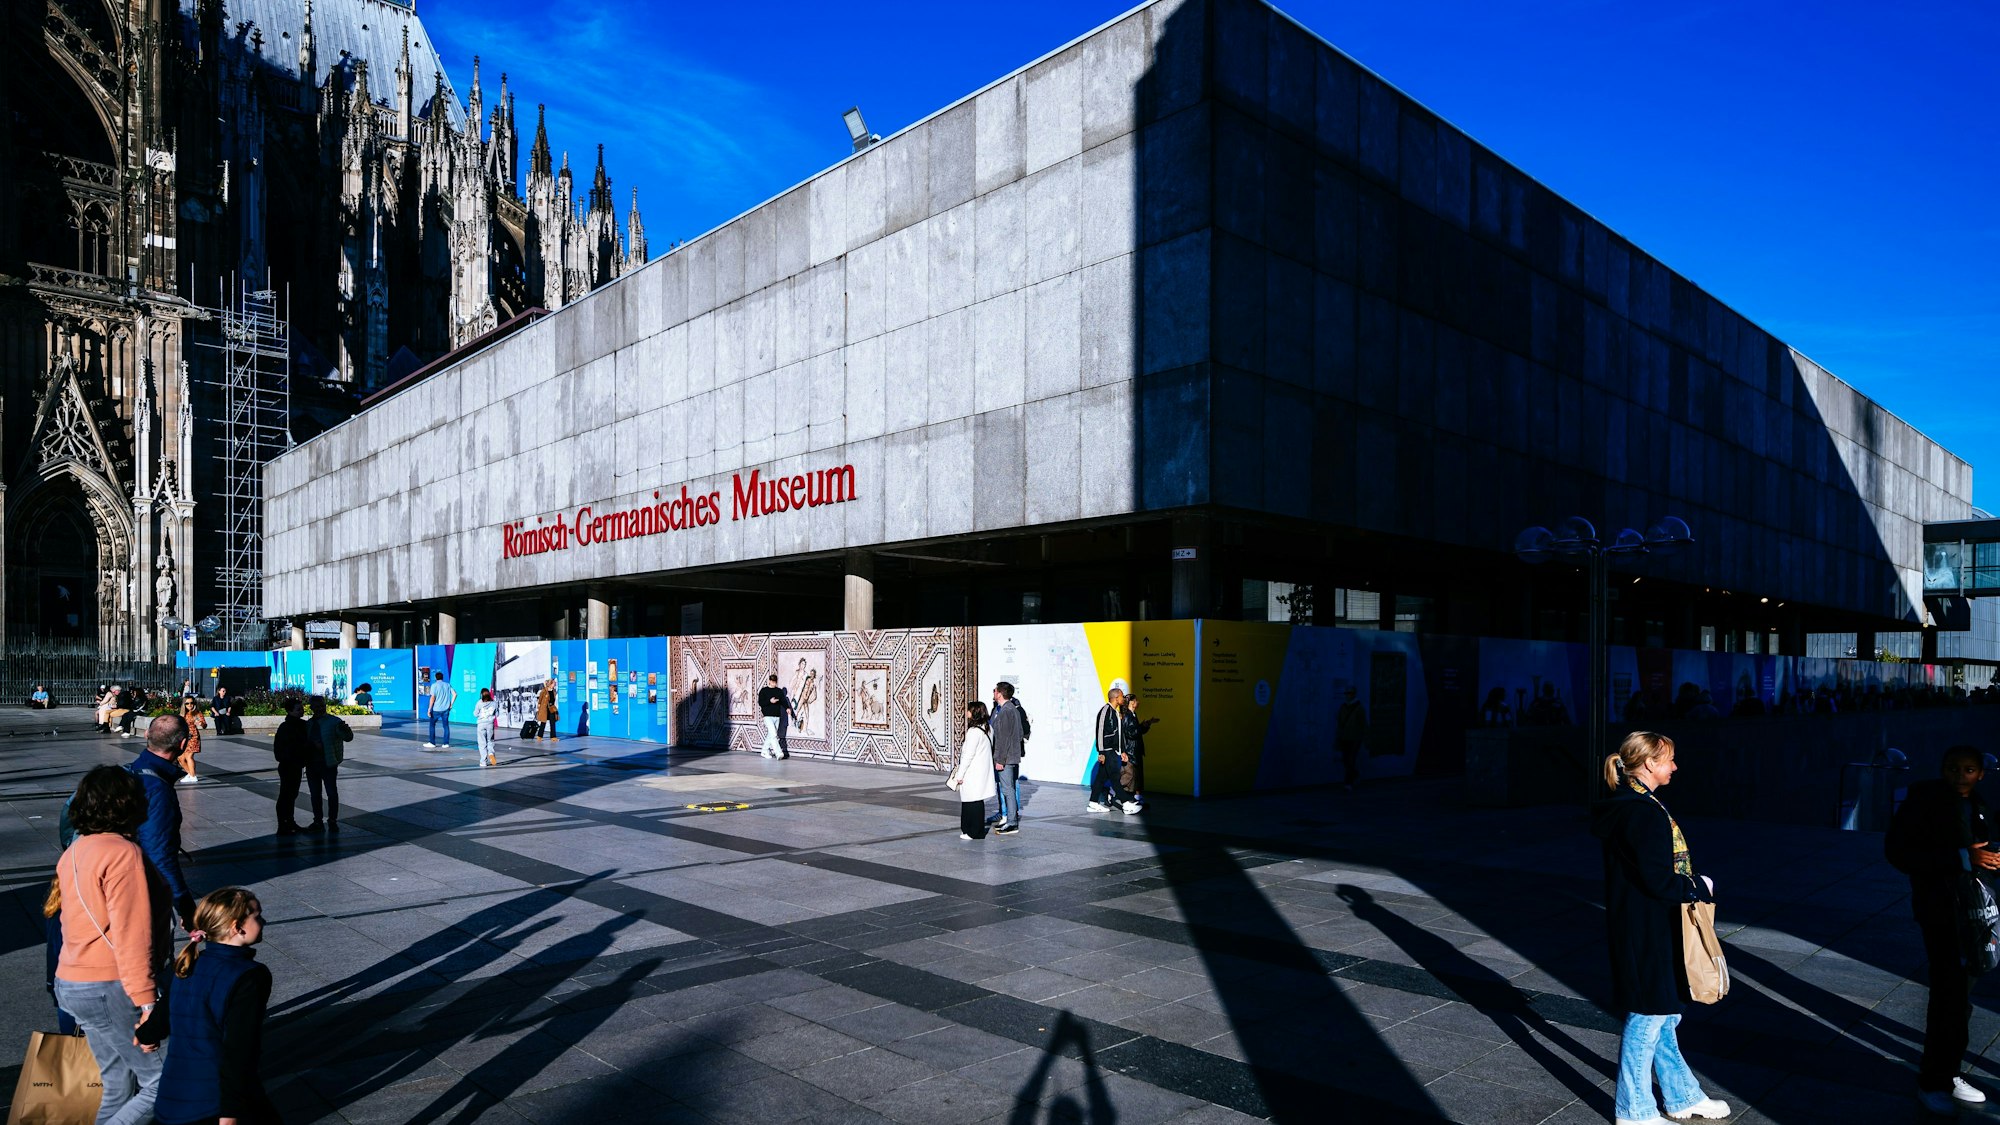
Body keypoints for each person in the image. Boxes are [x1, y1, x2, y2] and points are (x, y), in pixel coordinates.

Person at [1592, 731, 1732, 1125]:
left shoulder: (1637, 805)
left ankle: (1683, 1096)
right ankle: (1634, 1111)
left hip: (1648, 925)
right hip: (1647, 929)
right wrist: (1698, 887)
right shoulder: (1641, 811)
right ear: (1649, 763)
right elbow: (1658, 880)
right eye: (1668, 759)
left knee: (1665, 1015)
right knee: (1649, 1016)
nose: (1674, 766)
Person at [1885, 746, 1998, 1114]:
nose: (1959, 775)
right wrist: (1964, 858)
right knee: (1949, 996)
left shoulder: (1980, 804)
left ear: (1980, 773)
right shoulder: (1924, 800)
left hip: (1976, 916)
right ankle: (1934, 1081)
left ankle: (1947, 1073)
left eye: (1968, 769)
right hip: (1941, 912)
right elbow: (1899, 853)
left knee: (1960, 997)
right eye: (1952, 768)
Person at [53, 765, 167, 1125]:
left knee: (117, 1082)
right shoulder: (121, 852)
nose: (146, 800)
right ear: (125, 803)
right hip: (110, 984)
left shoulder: (75, 849)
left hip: (73, 980)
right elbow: (131, 933)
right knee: (160, 1083)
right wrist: (147, 1000)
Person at [151, 888, 280, 1125]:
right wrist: (230, 1111)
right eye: (257, 916)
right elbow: (240, 1048)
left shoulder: (189, 964)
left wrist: (147, 1033)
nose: (263, 920)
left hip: (175, 1092)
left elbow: (166, 1011)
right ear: (237, 927)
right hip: (214, 1100)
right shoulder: (250, 976)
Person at [133, 714, 199, 934]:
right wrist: (187, 908)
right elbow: (159, 855)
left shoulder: (132, 770)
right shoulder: (157, 789)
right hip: (139, 890)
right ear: (182, 745)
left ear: (146, 735)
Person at [947, 702, 997, 841]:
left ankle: (972, 831)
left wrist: (960, 775)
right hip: (982, 770)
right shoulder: (988, 728)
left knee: (971, 801)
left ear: (973, 712)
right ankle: (977, 831)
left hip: (973, 772)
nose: (967, 712)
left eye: (969, 710)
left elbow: (968, 756)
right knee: (977, 801)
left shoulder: (974, 731)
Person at [304, 695, 353, 833]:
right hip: (312, 764)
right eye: (316, 706)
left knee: (331, 793)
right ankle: (317, 821)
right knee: (315, 794)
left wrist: (346, 730)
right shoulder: (308, 724)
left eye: (322, 705)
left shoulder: (334, 721)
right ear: (312, 708)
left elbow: (348, 738)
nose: (320, 708)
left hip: (328, 763)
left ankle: (332, 820)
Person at [1089, 684, 1138, 814]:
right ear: (1116, 698)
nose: (1123, 699)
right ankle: (1126, 804)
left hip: (1113, 750)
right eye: (1122, 696)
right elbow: (1099, 732)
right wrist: (1101, 752)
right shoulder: (1105, 711)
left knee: (1101, 778)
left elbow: (1118, 734)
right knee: (1115, 778)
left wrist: (1122, 751)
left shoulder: (1115, 712)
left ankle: (1093, 803)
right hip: (1107, 750)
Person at [988, 682, 1028, 833]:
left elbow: (1003, 738)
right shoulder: (1011, 709)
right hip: (1011, 756)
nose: (994, 692)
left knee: (1007, 790)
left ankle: (1012, 822)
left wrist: (1000, 759)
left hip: (1006, 758)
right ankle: (1010, 820)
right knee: (1008, 789)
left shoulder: (1006, 711)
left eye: (995, 690)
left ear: (999, 693)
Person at [272, 700, 309, 836]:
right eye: (298, 709)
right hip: (289, 765)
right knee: (286, 795)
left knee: (291, 794)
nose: (301, 711)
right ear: (290, 711)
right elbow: (281, 749)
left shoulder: (301, 725)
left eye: (302, 708)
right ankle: (283, 824)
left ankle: (289, 821)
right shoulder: (287, 727)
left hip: (295, 764)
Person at [1122, 693, 1156, 807]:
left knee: (1138, 777)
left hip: (1136, 749)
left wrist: (1146, 725)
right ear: (1132, 703)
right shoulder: (1128, 716)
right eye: (1136, 700)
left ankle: (1138, 798)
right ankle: (1115, 792)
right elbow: (1131, 733)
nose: (1138, 702)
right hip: (1131, 751)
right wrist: (1142, 726)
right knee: (1130, 776)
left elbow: (1137, 731)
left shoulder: (1133, 715)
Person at [1336, 687, 1369, 790]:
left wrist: (1366, 739)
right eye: (1346, 693)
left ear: (1354, 694)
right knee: (1346, 760)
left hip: (1355, 738)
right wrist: (1338, 737)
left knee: (1351, 760)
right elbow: (1339, 722)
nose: (1347, 695)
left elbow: (1364, 724)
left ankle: (1348, 783)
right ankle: (1356, 774)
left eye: (1349, 693)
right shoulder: (1343, 707)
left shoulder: (1359, 708)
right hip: (1345, 737)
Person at [757, 674, 797, 759]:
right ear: (769, 681)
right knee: (774, 734)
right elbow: (761, 703)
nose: (773, 683)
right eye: (772, 681)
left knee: (771, 735)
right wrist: (770, 701)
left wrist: (787, 708)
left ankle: (764, 751)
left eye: (775, 682)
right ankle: (779, 753)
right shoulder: (764, 691)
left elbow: (783, 701)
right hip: (767, 716)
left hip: (777, 716)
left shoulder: (779, 691)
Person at [178, 695, 206, 785]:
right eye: (187, 703)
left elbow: (204, 725)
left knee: (189, 756)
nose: (190, 705)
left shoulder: (196, 713)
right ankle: (190, 774)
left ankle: (193, 776)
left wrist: (201, 723)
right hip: (184, 737)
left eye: (192, 703)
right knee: (181, 758)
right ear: (184, 704)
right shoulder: (182, 714)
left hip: (193, 736)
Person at [424, 672, 455, 748]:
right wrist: (451, 704)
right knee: (446, 726)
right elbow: (455, 694)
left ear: (435, 678)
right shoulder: (447, 685)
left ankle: (432, 742)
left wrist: (429, 709)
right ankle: (446, 743)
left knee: (432, 725)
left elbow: (432, 698)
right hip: (446, 709)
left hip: (436, 709)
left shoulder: (434, 685)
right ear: (442, 677)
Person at [475, 688, 499, 767]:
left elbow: (475, 714)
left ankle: (483, 761)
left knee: (482, 743)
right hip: (490, 724)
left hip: (481, 724)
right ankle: (491, 753)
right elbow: (497, 714)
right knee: (490, 740)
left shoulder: (479, 703)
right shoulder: (494, 703)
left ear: (481, 695)